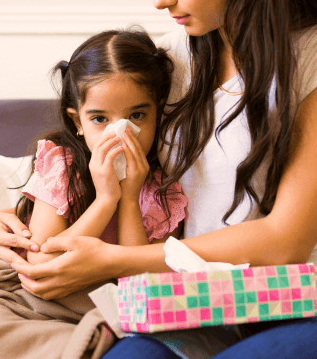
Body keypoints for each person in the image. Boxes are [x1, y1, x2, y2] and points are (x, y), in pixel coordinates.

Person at [0, 0, 317, 357]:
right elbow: (93, 148)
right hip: (198, 306)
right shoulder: (170, 61)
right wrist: (14, 219)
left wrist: (115, 261)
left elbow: (287, 241)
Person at [10, 29, 186, 267]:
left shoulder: (163, 192)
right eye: (100, 119)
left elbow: (139, 279)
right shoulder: (61, 169)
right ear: (77, 122)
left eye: (137, 115)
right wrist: (106, 199)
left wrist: (130, 199)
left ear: (157, 113)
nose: (120, 133)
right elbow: (42, 262)